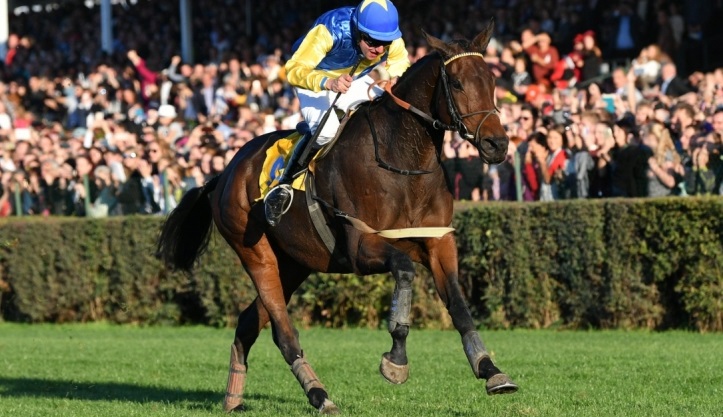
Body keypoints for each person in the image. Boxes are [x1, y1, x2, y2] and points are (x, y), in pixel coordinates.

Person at [264, 0, 410, 226]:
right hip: (314, 78)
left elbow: (400, 61)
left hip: (354, 79)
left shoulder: (388, 36)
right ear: (358, 30)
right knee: (325, 131)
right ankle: (284, 182)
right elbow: (293, 70)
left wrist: (392, 76)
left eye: (384, 43)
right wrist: (327, 83)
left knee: (387, 112)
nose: (379, 49)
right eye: (372, 41)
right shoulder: (330, 29)